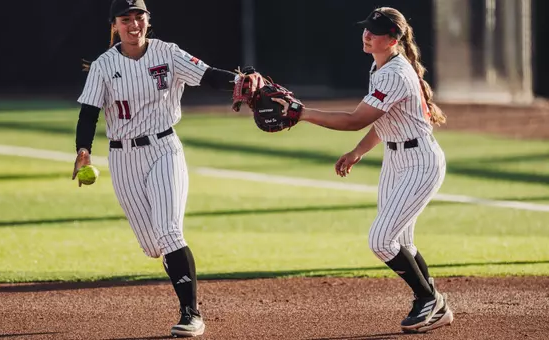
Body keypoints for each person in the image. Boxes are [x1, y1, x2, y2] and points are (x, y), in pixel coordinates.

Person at [71, 0, 260, 337]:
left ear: (148, 19)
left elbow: (208, 75)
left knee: (170, 231)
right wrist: (83, 149)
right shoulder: (103, 65)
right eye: (125, 19)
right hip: (123, 157)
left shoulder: (167, 53)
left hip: (164, 149)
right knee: (154, 246)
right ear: (114, 24)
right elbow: (88, 113)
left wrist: (240, 80)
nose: (133, 25)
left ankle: (191, 314)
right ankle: (177, 271)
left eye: (139, 17)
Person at [272, 7, 453, 333]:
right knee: (402, 242)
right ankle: (429, 302)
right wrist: (358, 151)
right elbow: (382, 120)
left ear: (393, 39)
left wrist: (303, 113)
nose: (367, 35)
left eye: (376, 31)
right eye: (366, 28)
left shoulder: (394, 74)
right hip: (397, 160)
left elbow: (356, 119)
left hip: (421, 163)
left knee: (381, 240)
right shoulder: (379, 65)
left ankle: (430, 300)